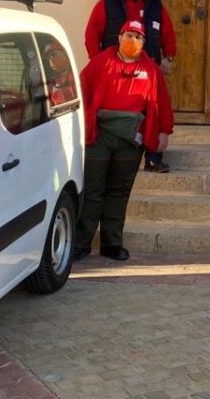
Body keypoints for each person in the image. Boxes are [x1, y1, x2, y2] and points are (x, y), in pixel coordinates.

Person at [75, 19, 164, 262]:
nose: (132, 40)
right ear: (119, 36)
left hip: (130, 140)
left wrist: (163, 132)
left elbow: (161, 102)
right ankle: (81, 243)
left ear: (144, 41)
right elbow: (82, 90)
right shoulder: (100, 63)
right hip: (99, 136)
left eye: (137, 37)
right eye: (128, 35)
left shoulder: (152, 70)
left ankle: (112, 243)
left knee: (118, 192)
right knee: (93, 190)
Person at [83, 0, 176, 172]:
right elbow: (91, 34)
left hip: (148, 67)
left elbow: (168, 32)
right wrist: (100, 62)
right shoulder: (107, 3)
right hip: (113, 69)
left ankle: (153, 157)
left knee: (154, 110)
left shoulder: (155, 5)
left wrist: (168, 58)